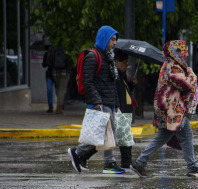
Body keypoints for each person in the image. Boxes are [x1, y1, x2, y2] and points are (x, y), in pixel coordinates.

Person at [130, 40, 198, 179]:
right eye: (183, 50)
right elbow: (185, 84)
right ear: (175, 52)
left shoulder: (172, 65)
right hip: (173, 110)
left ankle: (140, 163)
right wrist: (192, 75)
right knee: (187, 137)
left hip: (170, 109)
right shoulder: (172, 66)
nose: (186, 53)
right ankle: (193, 168)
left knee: (161, 138)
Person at [68, 25, 125, 174]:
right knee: (106, 132)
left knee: (106, 133)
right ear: (104, 39)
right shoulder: (93, 56)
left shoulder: (109, 57)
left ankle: (80, 154)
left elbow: (112, 83)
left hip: (109, 102)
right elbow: (87, 81)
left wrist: (117, 103)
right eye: (112, 39)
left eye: (115, 40)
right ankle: (108, 163)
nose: (114, 43)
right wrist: (97, 101)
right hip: (99, 102)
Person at [114, 48, 138, 169]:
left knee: (126, 137)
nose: (126, 65)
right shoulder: (115, 76)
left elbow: (125, 91)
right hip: (120, 110)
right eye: (124, 62)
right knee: (125, 137)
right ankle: (82, 154)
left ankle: (126, 162)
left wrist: (131, 84)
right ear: (117, 62)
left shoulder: (122, 75)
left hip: (126, 110)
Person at [42, 45, 56, 113]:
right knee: (50, 90)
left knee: (55, 90)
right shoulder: (46, 54)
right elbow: (44, 65)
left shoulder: (56, 54)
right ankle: (51, 106)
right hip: (49, 74)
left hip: (55, 73)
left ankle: (59, 105)